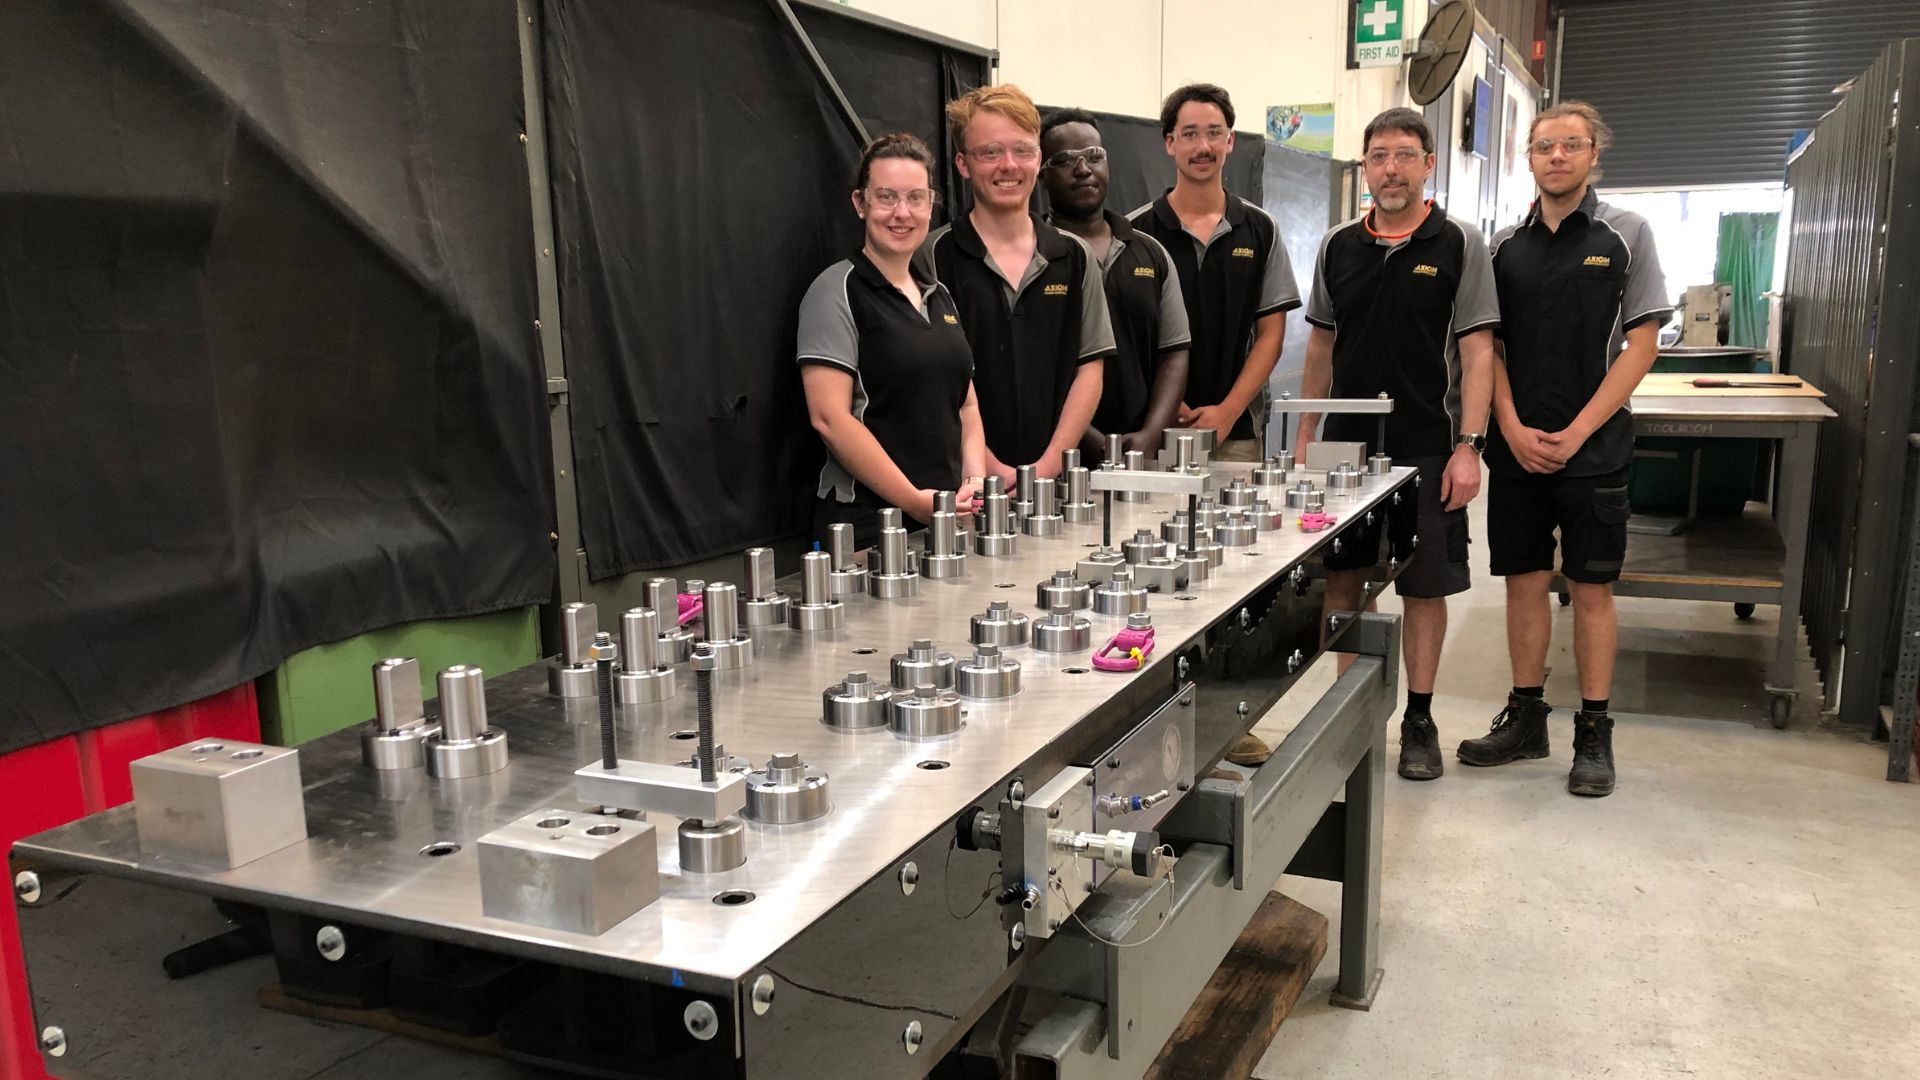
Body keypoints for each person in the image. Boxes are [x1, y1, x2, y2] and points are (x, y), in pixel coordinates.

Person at [1463, 101, 1671, 798]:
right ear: (1528, 156)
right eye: (1544, 146)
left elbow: (1641, 345)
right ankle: (1526, 718)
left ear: (1593, 155)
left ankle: (1594, 731)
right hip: (1516, 448)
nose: (1557, 156)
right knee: (1522, 580)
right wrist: (1512, 427)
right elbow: (1486, 346)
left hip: (1596, 449)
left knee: (1590, 589)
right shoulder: (1501, 245)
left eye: (1571, 145)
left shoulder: (1626, 234)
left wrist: (1578, 431)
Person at [1293, 107, 1499, 782]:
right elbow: (1320, 344)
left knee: (1423, 585)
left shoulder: (1458, 244)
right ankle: (1347, 717)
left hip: (1428, 441)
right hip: (1345, 445)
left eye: (1405, 155)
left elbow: (1476, 351)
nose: (1391, 168)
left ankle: (1418, 717)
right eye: (1379, 156)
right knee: (1344, 580)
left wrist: (1470, 445)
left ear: (1427, 164)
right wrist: (1305, 435)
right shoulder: (1336, 247)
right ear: (1365, 167)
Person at [918, 85, 1114, 487]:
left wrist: (1046, 467)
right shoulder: (930, 257)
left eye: (1022, 150)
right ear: (963, 163)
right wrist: (985, 465)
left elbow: (1090, 370)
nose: (1008, 165)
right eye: (990, 152)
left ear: (1038, 159)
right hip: (958, 487)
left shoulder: (1074, 258)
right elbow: (931, 381)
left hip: (1058, 486)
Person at [798, 133, 987, 544]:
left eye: (915, 198)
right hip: (867, 525)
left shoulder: (939, 295)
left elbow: (966, 403)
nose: (902, 213)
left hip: (944, 518)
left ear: (931, 203)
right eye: (886, 197)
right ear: (860, 203)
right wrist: (915, 502)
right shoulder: (835, 291)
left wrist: (973, 481)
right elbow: (829, 419)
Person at [1129, 83, 1300, 466]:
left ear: (1231, 141)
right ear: (1170, 143)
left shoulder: (1261, 229)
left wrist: (1228, 412)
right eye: (1189, 134)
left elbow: (1271, 336)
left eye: (1214, 133)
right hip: (1152, 433)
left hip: (1236, 434)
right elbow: (1124, 340)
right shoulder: (1135, 234)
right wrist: (1166, 404)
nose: (1202, 146)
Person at [1038, 107, 1191, 463]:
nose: (1083, 169)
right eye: (1065, 160)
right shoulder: (1034, 256)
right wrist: (1084, 438)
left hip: (1142, 455)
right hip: (1053, 461)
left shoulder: (1150, 253)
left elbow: (1174, 352)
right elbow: (1033, 368)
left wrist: (1152, 434)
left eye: (1094, 156)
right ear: (1041, 175)